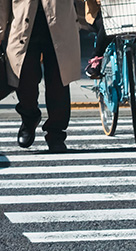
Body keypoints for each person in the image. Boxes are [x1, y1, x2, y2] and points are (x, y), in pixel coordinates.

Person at [1, 0, 81, 152]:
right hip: (22, 26)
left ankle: (55, 134)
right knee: (24, 78)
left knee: (58, 82)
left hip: (61, 23)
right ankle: (29, 116)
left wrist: (86, 19)